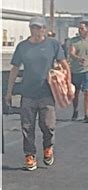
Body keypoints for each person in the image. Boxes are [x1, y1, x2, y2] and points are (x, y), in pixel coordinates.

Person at [6, 16, 72, 171]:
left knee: (48, 126)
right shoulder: (22, 47)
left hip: (47, 93)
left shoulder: (53, 45)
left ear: (44, 29)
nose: (35, 30)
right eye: (33, 27)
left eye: (38, 27)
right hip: (28, 93)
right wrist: (9, 91)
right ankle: (29, 155)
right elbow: (15, 69)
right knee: (27, 127)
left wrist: (68, 85)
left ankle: (48, 147)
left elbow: (64, 65)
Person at [68, 21, 88, 123]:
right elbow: (71, 53)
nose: (80, 30)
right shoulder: (74, 41)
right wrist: (78, 58)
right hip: (75, 70)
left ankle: (87, 114)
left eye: (82, 28)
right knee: (75, 93)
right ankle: (75, 110)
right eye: (79, 28)